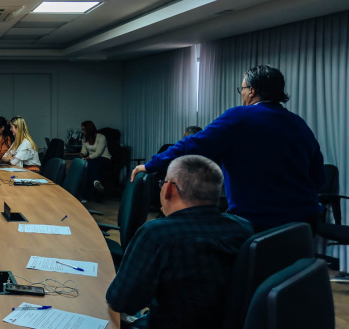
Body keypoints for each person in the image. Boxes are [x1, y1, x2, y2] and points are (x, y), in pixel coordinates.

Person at [131, 65, 325, 231]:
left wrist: (151, 165)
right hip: (304, 222)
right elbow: (318, 175)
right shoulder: (299, 123)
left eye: (242, 89)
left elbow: (192, 145)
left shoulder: (239, 117)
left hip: (257, 223)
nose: (241, 94)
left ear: (252, 91)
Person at [108, 155, 252, 329]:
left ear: (170, 190)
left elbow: (121, 301)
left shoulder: (157, 234)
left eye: (162, 182)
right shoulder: (243, 228)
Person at [80, 121, 111, 195]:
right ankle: (96, 183)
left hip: (104, 158)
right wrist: (81, 154)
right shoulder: (85, 138)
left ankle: (95, 182)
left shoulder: (101, 137)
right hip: (92, 159)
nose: (82, 131)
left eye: (84, 129)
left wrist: (85, 159)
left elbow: (98, 153)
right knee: (87, 165)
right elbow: (84, 150)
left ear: (89, 129)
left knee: (90, 164)